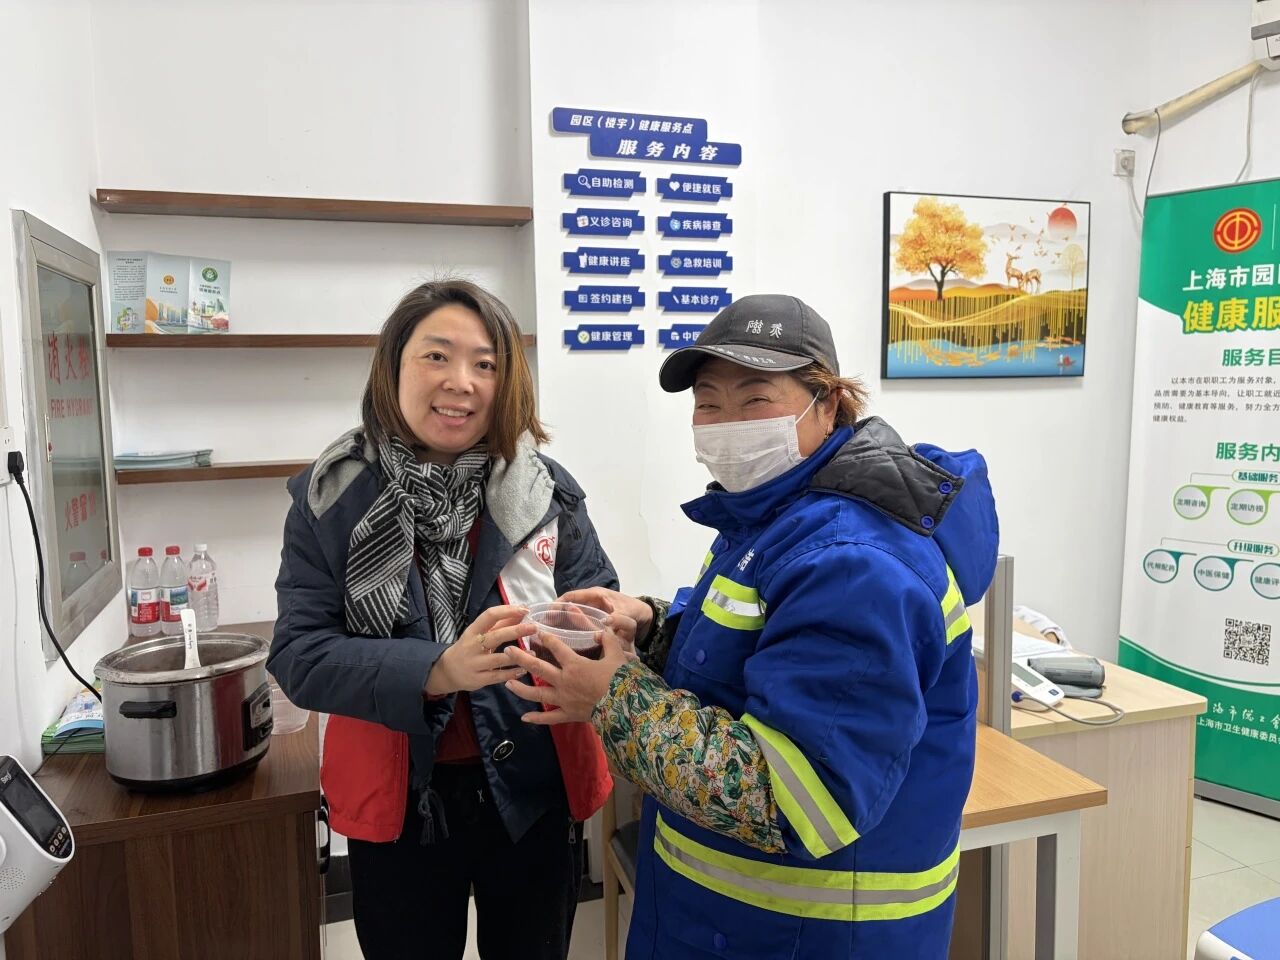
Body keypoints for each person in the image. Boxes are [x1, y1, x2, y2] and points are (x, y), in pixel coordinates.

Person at [505, 294, 999, 959]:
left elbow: (793, 800)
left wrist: (613, 696)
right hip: (728, 921)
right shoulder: (777, 514)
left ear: (827, 402)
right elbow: (761, 651)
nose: (726, 424)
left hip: (810, 938)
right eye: (708, 403)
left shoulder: (854, 562)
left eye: (755, 398)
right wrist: (653, 627)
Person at [269, 279, 617, 960]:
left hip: (532, 784)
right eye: (436, 356)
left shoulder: (544, 491)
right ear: (393, 368)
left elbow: (597, 598)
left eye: (485, 363)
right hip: (399, 799)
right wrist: (436, 669)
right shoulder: (333, 496)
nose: (461, 381)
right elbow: (300, 654)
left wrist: (594, 631)